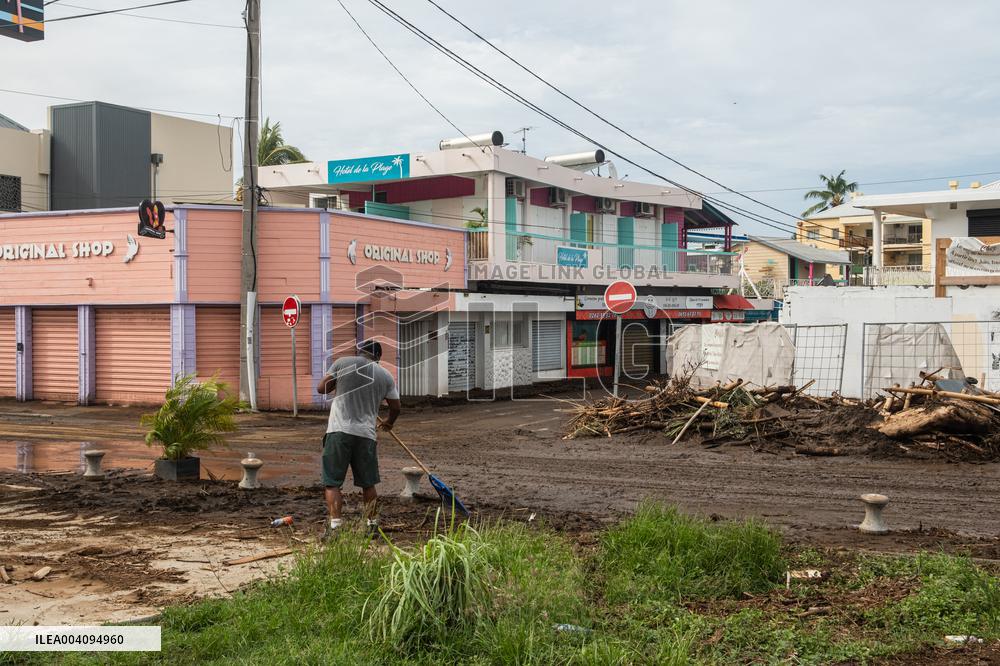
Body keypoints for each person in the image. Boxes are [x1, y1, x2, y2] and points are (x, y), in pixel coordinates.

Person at [316, 340, 401, 539]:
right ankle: (372, 526)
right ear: (378, 357)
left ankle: (335, 528)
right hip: (366, 435)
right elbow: (396, 407)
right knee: (368, 484)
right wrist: (389, 422)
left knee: (332, 482)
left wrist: (338, 381)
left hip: (339, 431)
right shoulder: (385, 375)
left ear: (360, 352)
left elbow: (321, 388)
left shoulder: (343, 363)